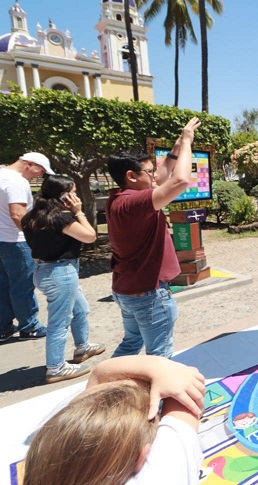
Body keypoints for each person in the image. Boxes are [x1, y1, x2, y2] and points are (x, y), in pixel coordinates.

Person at [23, 355, 205, 485]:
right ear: (143, 455)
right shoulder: (160, 474)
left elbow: (98, 378)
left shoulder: (45, 470)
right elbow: (185, 391)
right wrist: (160, 366)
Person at [107, 117, 201, 358]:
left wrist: (176, 148)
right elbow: (179, 180)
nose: (154, 177)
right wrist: (189, 143)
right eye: (147, 172)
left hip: (128, 289)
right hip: (149, 293)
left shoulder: (120, 197)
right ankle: (155, 396)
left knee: (130, 345)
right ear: (131, 175)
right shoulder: (135, 203)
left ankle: (106, 390)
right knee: (160, 356)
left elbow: (161, 176)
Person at [21, 175, 105, 383]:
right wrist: (78, 212)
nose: (76, 196)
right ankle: (56, 367)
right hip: (60, 273)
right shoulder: (61, 218)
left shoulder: (31, 217)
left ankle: (82, 346)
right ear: (64, 195)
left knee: (80, 309)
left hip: (44, 270)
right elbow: (90, 236)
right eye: (73, 192)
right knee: (59, 322)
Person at [0, 152, 53, 341]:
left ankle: (3, 326)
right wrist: (34, 238)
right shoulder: (17, 182)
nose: (40, 175)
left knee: (4, 285)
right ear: (29, 164)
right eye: (40, 170)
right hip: (15, 240)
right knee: (22, 286)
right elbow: (17, 214)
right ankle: (29, 326)